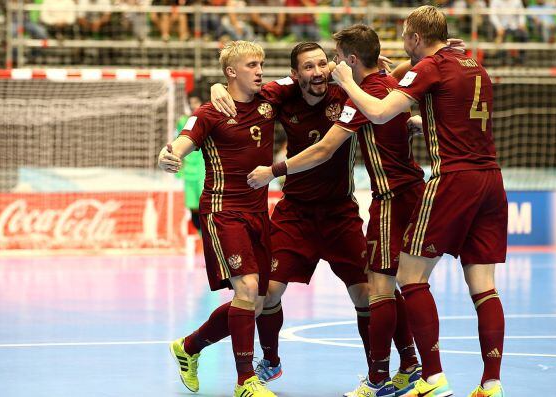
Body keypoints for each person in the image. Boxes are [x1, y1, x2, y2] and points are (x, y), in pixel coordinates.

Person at [304, 6, 506, 397]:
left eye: (405, 37)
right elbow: (445, 106)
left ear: (414, 38)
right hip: (492, 181)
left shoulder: (430, 67)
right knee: (484, 287)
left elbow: (379, 112)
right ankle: (491, 383)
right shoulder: (474, 65)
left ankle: (432, 378)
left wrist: (346, 79)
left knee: (410, 278)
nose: (402, 45)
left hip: (453, 179)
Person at [210, 40, 422, 397]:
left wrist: (399, 72)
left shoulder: (345, 92)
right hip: (295, 214)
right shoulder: (282, 95)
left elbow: (386, 83)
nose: (318, 72)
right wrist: (217, 86)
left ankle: (399, 366)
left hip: (340, 213)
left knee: (370, 292)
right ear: (295, 75)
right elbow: (242, 90)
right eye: (308, 67)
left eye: (322, 64)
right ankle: (271, 360)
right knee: (267, 292)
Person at [158, 41, 278, 397]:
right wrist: (171, 156)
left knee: (256, 301)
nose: (259, 70)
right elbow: (183, 139)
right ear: (231, 72)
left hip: (258, 212)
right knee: (245, 289)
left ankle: (189, 347)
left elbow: (308, 81)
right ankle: (245, 382)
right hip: (223, 211)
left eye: (261, 63)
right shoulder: (210, 111)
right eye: (251, 65)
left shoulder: (270, 101)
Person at [175, 95, 206, 234]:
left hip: (205, 168)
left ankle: (209, 239)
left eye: (196, 102)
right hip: (189, 170)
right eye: (191, 103)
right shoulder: (183, 121)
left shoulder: (208, 118)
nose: (193, 105)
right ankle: (202, 237)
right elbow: (177, 140)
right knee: (193, 207)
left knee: (206, 205)